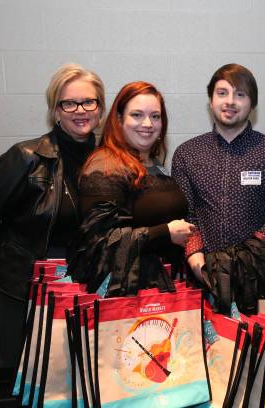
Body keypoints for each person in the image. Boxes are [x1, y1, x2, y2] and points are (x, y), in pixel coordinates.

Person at [0, 63, 105, 369]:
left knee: (85, 377)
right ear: (55, 110)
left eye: (88, 101)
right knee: (35, 377)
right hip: (33, 291)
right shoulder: (25, 158)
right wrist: (22, 256)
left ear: (100, 109)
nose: (79, 110)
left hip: (90, 286)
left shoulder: (109, 159)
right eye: (68, 102)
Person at [172, 63, 265, 313]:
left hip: (261, 277)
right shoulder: (187, 154)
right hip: (204, 277)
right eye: (222, 93)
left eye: (240, 94)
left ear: (252, 104)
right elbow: (187, 214)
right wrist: (196, 260)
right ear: (210, 100)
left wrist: (244, 261)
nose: (230, 101)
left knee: (262, 349)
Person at [67, 81, 194, 295]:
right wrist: (165, 233)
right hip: (127, 297)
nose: (148, 123)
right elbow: (101, 243)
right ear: (119, 119)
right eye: (137, 115)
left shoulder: (154, 164)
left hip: (163, 291)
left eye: (155, 116)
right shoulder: (105, 166)